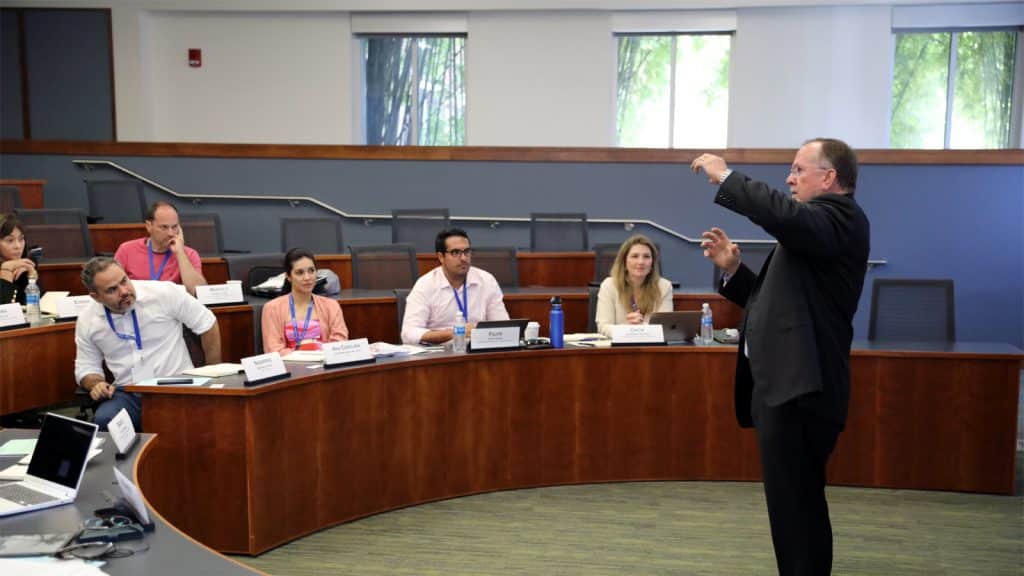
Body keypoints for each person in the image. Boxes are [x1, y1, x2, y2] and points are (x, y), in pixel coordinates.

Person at [691, 138, 870, 576]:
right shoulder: (815, 231)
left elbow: (783, 215)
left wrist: (727, 177)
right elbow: (774, 305)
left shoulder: (840, 218)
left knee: (797, 510)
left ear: (829, 177)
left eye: (798, 170)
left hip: (802, 390)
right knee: (794, 508)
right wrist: (734, 270)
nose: (789, 179)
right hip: (785, 388)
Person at [74, 257, 222, 431]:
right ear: (96, 297)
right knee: (105, 421)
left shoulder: (164, 293)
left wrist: (213, 374)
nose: (124, 291)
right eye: (112, 290)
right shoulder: (87, 319)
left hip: (175, 384)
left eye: (124, 281)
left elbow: (207, 323)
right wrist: (96, 384)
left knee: (178, 424)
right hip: (127, 392)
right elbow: (86, 367)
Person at [401, 228, 510, 345]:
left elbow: (503, 326)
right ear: (441, 257)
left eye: (467, 251)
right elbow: (408, 334)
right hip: (439, 354)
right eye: (455, 252)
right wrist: (456, 332)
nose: (463, 258)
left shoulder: (486, 281)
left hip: (478, 351)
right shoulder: (425, 285)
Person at [261, 248, 349, 355]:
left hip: (324, 366)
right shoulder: (272, 308)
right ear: (288, 277)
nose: (307, 277)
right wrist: (306, 354)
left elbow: (339, 344)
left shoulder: (331, 306)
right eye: (299, 272)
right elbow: (273, 350)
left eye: (311, 271)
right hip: (290, 367)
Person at [114, 201, 206, 295]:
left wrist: (180, 253)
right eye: (164, 227)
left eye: (174, 227)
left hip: (173, 307)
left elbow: (197, 292)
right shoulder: (126, 250)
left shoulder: (189, 254)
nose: (171, 233)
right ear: (149, 226)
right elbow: (113, 286)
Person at [595, 234, 673, 337]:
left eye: (646, 256)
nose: (641, 262)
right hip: (618, 349)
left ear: (652, 263)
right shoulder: (609, 285)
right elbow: (603, 327)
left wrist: (640, 327)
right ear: (624, 261)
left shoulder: (664, 287)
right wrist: (629, 328)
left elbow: (665, 328)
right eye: (634, 256)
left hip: (651, 348)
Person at [0, 213, 44, 305]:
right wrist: (6, 269)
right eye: (10, 240)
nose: (18, 246)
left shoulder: (23, 266)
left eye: (21, 239)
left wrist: (32, 276)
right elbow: (4, 310)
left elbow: (37, 306)